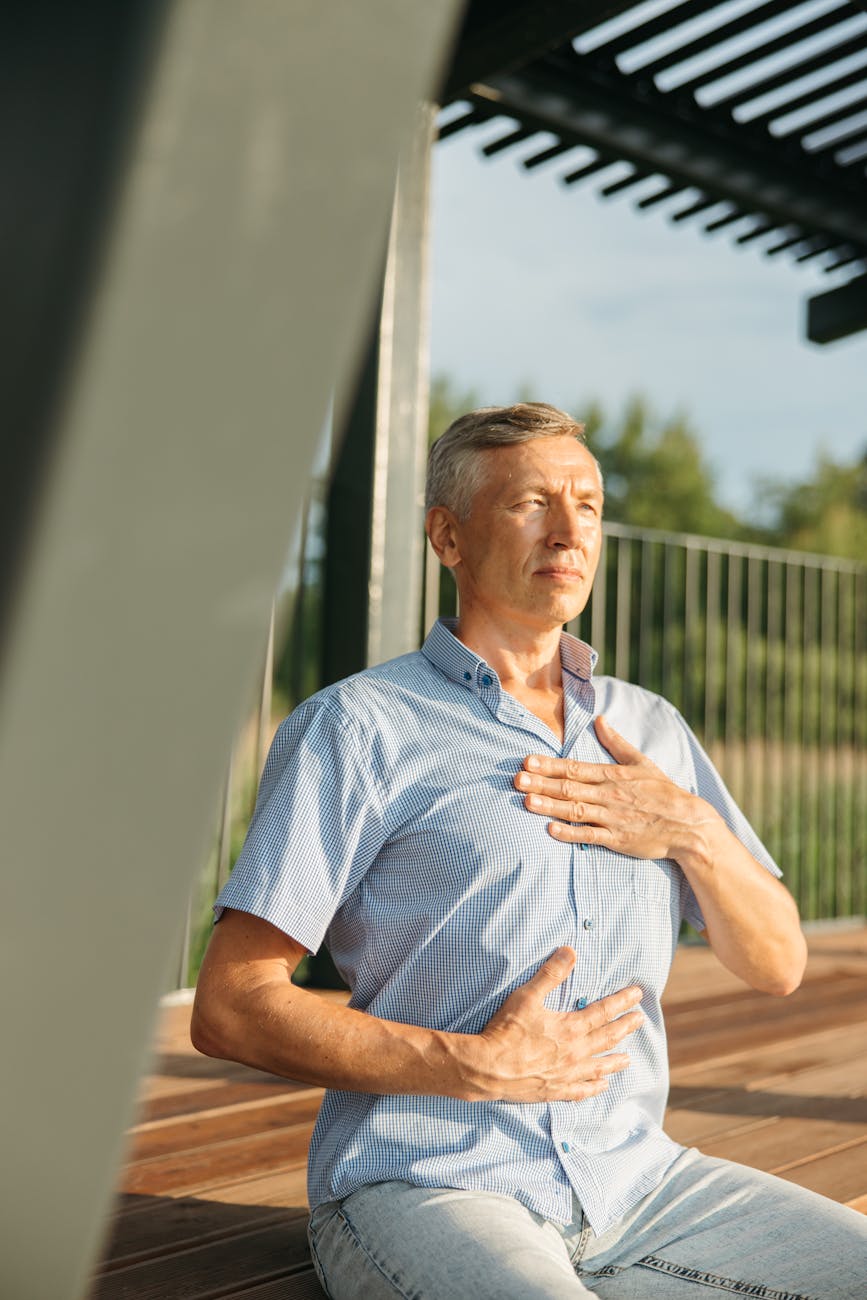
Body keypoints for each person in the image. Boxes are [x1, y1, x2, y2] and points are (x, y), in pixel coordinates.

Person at [192, 403, 867, 1298]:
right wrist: (467, 1065)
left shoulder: (648, 728)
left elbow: (777, 961)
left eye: (586, 504)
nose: (567, 529)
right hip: (429, 1182)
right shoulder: (357, 726)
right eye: (530, 503)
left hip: (639, 1183)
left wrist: (689, 831)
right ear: (447, 536)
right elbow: (231, 1007)